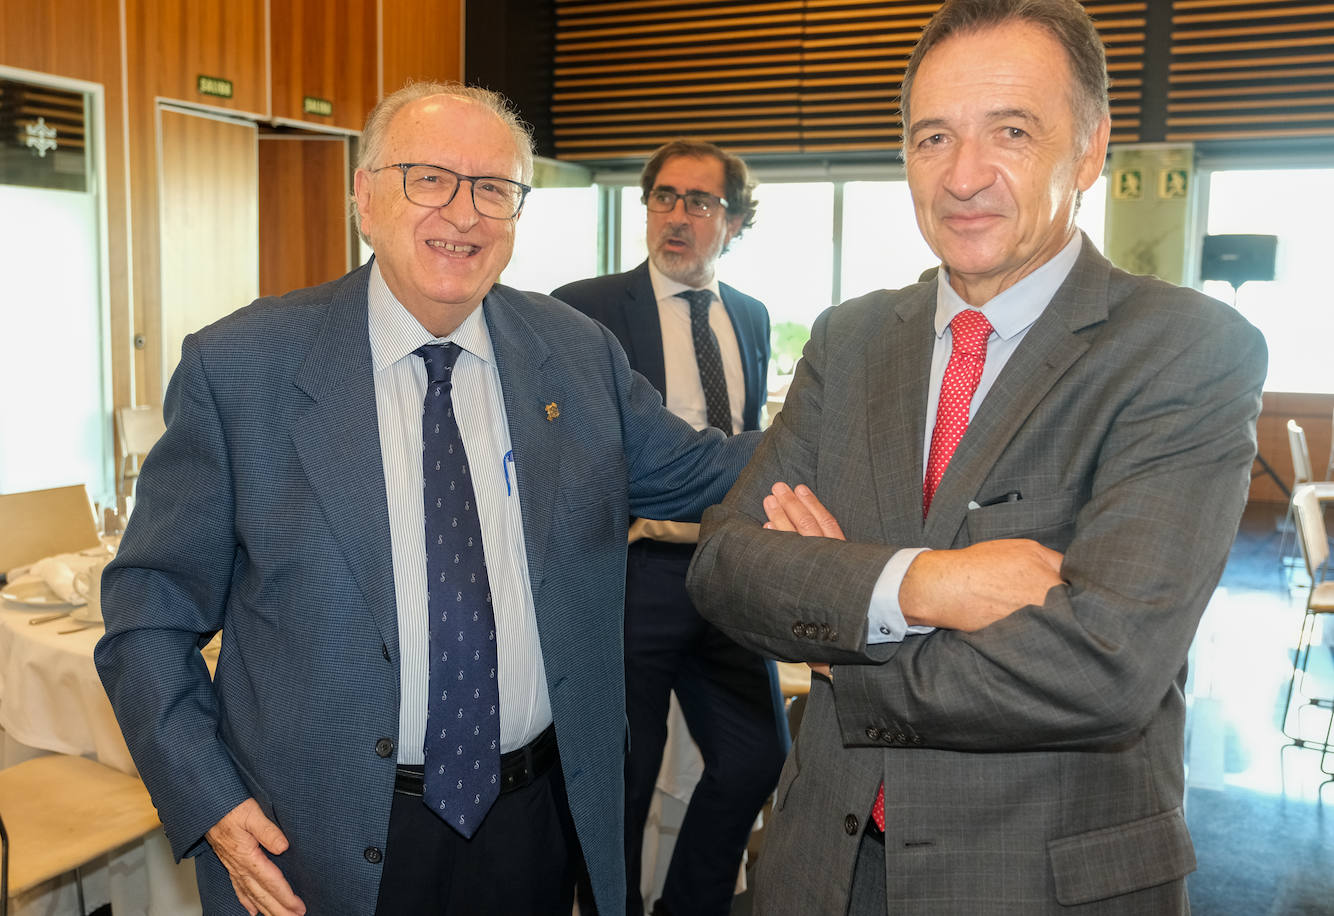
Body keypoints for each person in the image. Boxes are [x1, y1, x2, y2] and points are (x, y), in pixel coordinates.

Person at [95, 82, 760, 916]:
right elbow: (146, 613)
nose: (465, 213)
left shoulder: (573, 354)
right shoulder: (242, 369)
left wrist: (879, 428)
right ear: (365, 198)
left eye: (494, 189)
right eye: (429, 178)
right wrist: (213, 804)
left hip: (533, 825)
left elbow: (709, 471)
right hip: (316, 845)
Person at [685, 1, 1267, 913]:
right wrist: (924, 587)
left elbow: (1103, 666)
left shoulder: (1184, 349)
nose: (963, 177)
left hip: (1034, 883)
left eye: (1011, 131)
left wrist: (842, 641)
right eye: (932, 138)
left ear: (1087, 150)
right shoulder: (852, 339)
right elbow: (726, 567)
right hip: (818, 868)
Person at [552, 140, 786, 916]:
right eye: (664, 197)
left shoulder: (749, 316)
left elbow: (743, 443)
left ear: (735, 221)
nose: (677, 217)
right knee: (620, 780)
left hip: (727, 570)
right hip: (634, 577)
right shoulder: (584, 308)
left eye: (700, 202)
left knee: (757, 759)